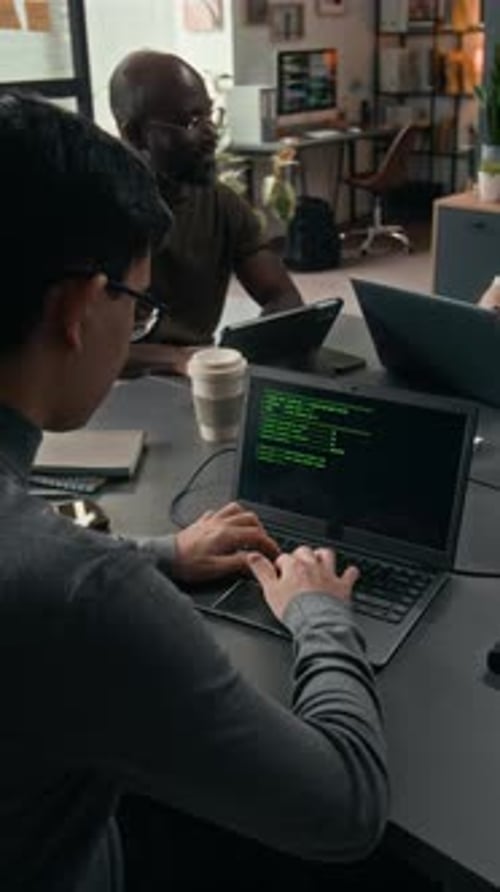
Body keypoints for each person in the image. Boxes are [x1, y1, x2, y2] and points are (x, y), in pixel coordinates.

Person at [0, 93, 388, 892]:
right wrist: (320, 616)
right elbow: (345, 808)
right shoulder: (84, 597)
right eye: (138, 309)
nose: (138, 331)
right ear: (77, 308)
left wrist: (162, 552)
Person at [109, 50, 304, 375]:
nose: (211, 134)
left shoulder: (221, 204)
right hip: (103, 393)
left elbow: (283, 297)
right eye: (191, 121)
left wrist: (240, 352)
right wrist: (179, 359)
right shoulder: (95, 213)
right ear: (135, 134)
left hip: (196, 378)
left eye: (210, 116)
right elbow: (80, 350)